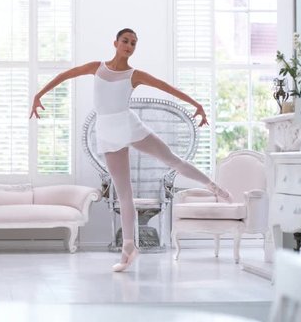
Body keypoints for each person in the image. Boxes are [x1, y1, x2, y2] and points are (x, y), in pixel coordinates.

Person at [29, 28, 232, 272]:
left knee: (171, 159)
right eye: (125, 41)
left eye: (134, 43)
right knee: (125, 193)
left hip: (129, 125)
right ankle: (129, 249)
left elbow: (165, 87)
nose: (129, 45)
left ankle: (213, 186)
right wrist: (39, 95)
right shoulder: (97, 67)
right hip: (107, 132)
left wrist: (196, 104)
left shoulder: (134, 75)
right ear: (115, 43)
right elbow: (66, 75)